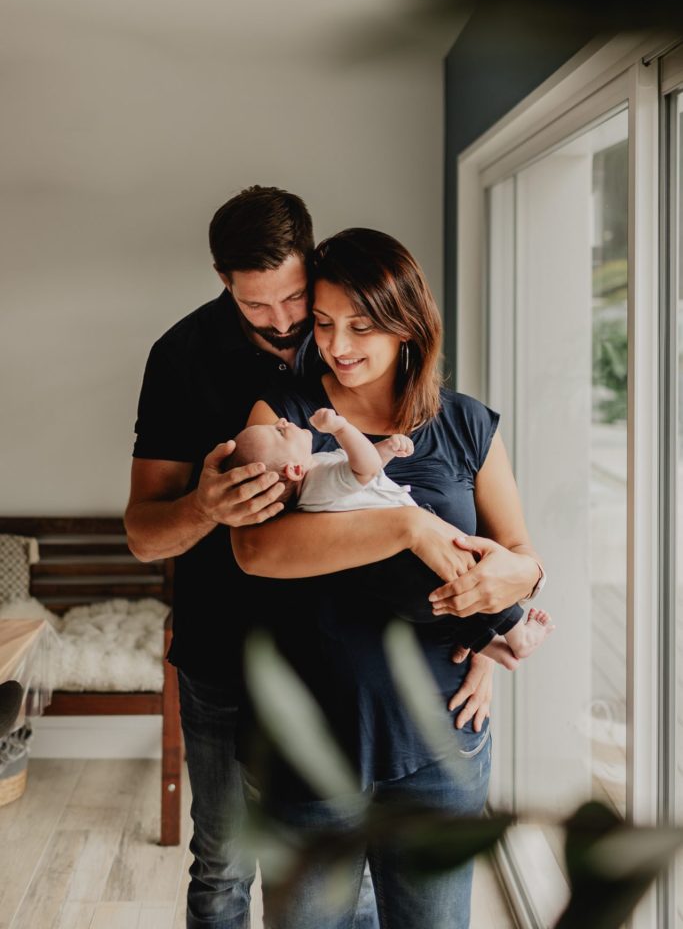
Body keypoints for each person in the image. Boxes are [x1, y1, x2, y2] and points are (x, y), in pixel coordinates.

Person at [123, 187, 524, 929]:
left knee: (369, 886)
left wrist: (481, 638)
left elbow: (478, 524)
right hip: (228, 652)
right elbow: (154, 536)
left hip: (371, 676)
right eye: (255, 307)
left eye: (296, 302)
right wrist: (203, 509)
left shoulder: (366, 348)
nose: (289, 328)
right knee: (222, 869)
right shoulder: (185, 359)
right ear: (222, 283)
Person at [232, 227, 546, 929]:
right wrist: (404, 527)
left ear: (408, 324)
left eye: (361, 325)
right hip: (307, 742)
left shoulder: (465, 424)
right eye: (323, 323)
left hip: (439, 741)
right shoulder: (283, 418)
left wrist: (508, 590)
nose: (337, 346)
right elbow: (256, 552)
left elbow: (518, 552)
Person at [228, 408, 553, 670]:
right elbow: (364, 468)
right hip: (410, 566)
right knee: (468, 572)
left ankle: (492, 647)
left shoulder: (310, 494)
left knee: (456, 602)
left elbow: (362, 472)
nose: (283, 421)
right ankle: (517, 634)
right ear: (295, 471)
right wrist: (341, 428)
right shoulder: (321, 479)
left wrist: (384, 450)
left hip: (395, 587)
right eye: (280, 432)